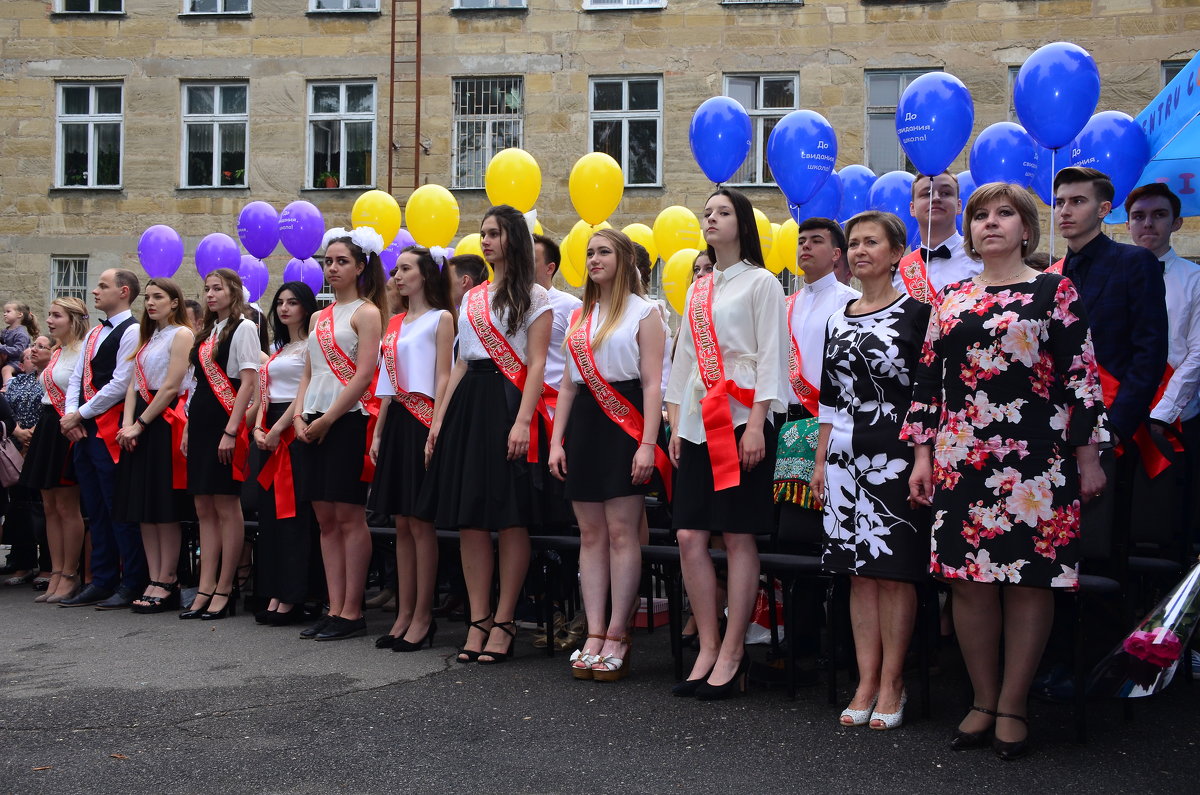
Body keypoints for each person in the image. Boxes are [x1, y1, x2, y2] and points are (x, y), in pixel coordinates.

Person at [904, 182, 1109, 759]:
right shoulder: (951, 300)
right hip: (961, 457)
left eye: (1004, 214)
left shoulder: (1054, 290)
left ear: (1025, 228)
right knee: (968, 582)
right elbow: (927, 385)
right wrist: (922, 456)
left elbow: (1081, 379)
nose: (990, 223)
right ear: (969, 231)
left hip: (1037, 463)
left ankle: (1015, 703)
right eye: (981, 216)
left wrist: (1088, 456)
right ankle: (983, 699)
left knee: (1028, 584)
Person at [806, 211, 930, 730]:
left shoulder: (919, 314)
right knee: (857, 575)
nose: (859, 251)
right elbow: (831, 399)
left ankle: (893, 682)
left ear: (896, 251)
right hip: (842, 459)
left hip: (896, 456)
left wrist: (923, 457)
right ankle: (865, 678)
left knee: (893, 575)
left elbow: (928, 396)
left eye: (871, 242)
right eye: (853, 243)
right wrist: (818, 460)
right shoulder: (839, 316)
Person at [664, 187, 788, 700]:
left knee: (737, 536)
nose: (710, 219)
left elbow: (771, 356)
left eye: (722, 212)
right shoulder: (698, 288)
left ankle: (735, 650)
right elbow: (685, 362)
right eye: (706, 213)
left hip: (741, 422)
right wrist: (673, 423)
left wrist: (757, 424)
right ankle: (708, 645)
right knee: (690, 536)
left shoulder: (762, 283)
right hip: (696, 422)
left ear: (743, 223)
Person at [419, 204, 553, 665]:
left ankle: (505, 618)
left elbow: (536, 363)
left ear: (513, 238)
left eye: (494, 233)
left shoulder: (535, 296)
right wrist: (438, 419)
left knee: (510, 517)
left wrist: (522, 421)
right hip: (469, 403)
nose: (486, 240)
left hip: (509, 400)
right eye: (482, 233)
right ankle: (478, 618)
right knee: (470, 517)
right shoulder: (471, 297)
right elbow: (460, 360)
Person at [548, 229, 668, 682]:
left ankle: (619, 633)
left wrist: (647, 444)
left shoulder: (646, 312)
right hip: (585, 423)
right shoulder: (581, 314)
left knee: (622, 534)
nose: (594, 259)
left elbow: (655, 382)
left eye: (603, 252)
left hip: (626, 424)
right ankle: (593, 632)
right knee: (590, 535)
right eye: (590, 253)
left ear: (623, 259)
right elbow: (566, 384)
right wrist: (557, 441)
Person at [292, 228, 386, 641]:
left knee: (348, 516)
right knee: (324, 518)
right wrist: (298, 415)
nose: (332, 268)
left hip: (347, 420)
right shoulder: (317, 317)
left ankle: (352, 610)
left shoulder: (367, 312)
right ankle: (334, 607)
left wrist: (329, 418)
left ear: (360, 266)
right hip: (311, 417)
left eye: (342, 261)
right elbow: (309, 371)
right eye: (328, 261)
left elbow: (365, 374)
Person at [369, 246, 454, 651]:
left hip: (425, 420)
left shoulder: (442, 319)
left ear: (425, 275)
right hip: (399, 420)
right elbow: (387, 384)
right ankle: (403, 612)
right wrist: (379, 433)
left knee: (421, 523)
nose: (398, 276)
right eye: (396, 270)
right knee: (401, 522)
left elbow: (443, 376)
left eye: (406, 269)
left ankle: (423, 616)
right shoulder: (396, 321)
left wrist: (436, 426)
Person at [58, 269, 146, 609]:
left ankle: (131, 581)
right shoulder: (94, 331)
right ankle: (102, 578)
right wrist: (70, 416)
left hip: (109, 429)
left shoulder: (133, 330)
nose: (95, 291)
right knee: (94, 510)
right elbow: (77, 379)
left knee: (117, 507)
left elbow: (120, 384)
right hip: (84, 429)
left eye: (103, 286)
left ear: (123, 292)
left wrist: (80, 414)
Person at [180, 268, 259, 621]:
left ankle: (226, 588)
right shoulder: (206, 332)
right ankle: (204, 586)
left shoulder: (244, 328)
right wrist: (185, 429)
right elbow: (196, 383)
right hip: (199, 423)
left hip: (224, 423)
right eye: (208, 289)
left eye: (218, 289)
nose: (211, 295)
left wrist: (232, 430)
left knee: (227, 506)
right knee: (203, 509)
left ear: (234, 292)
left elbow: (248, 382)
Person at [1125, 183, 1200, 549]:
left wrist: (1161, 414)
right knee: (1120, 518)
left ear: (1177, 223)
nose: (1148, 224)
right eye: (1138, 217)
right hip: (1119, 415)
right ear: (1126, 225)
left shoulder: (1195, 280)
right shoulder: (1114, 278)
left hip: (1177, 421)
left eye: (1159, 215)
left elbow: (1197, 354)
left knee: (1170, 523)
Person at [114, 278, 194, 613]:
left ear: (175, 301)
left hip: (163, 425)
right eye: (147, 297)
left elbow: (172, 385)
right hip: (140, 427)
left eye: (158, 297)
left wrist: (141, 423)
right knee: (144, 510)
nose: (150, 302)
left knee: (164, 509)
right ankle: (153, 576)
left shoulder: (182, 334)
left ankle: (168, 578)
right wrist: (127, 424)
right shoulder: (148, 337)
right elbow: (133, 382)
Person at [252, 282, 318, 627]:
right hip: (270, 430)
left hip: (293, 429)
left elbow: (304, 390)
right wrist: (258, 427)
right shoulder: (281, 348)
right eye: (280, 302)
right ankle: (275, 590)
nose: (284, 308)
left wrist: (279, 429)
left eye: (292, 302)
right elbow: (266, 392)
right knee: (271, 517)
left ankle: (294, 593)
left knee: (292, 515)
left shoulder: (312, 345)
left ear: (306, 307)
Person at [6, 340, 53, 592]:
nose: (34, 349)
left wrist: (30, 436)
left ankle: (47, 566)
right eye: (33, 345)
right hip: (15, 447)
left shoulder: (51, 378)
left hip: (42, 444)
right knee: (20, 508)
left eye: (41, 346)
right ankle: (22, 563)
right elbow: (8, 409)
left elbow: (52, 408)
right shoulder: (20, 380)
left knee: (43, 508)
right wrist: (18, 434)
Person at [894, 171, 981, 303]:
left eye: (945, 193)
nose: (935, 198)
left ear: (959, 205)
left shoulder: (981, 258)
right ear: (912, 208)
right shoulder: (898, 272)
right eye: (926, 194)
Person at [0, 301, 38, 386]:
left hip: (18, 361)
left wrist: (1, 348)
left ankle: (8, 388)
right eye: (4, 312)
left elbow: (19, 351)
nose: (4, 314)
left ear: (19, 315)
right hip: (8, 360)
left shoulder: (21, 333)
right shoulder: (6, 330)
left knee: (6, 370)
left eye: (8, 311)